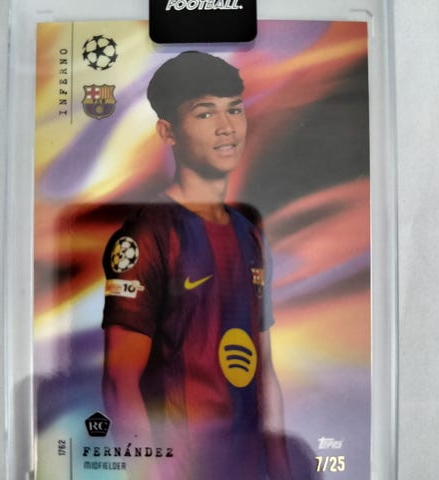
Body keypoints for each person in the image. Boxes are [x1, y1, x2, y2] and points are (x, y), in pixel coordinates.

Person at [101, 51, 291, 480]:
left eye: (234, 109)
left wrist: (281, 470)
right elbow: (120, 383)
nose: (227, 127)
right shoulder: (147, 235)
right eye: (205, 113)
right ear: (167, 131)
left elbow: (265, 369)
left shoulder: (250, 235)